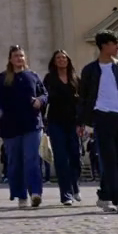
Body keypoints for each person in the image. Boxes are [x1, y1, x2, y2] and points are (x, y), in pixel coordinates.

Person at [77, 31, 118, 213]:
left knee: (117, 160)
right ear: (103, 45)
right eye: (114, 43)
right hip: (101, 117)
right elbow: (83, 98)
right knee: (108, 159)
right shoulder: (89, 70)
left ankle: (104, 195)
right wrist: (82, 122)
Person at [0, 43, 48, 209]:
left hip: (32, 124)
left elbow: (45, 94)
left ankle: (35, 193)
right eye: (16, 56)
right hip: (10, 126)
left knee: (32, 159)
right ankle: (21, 195)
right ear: (10, 59)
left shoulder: (33, 76)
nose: (19, 58)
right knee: (15, 162)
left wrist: (40, 101)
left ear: (25, 58)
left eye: (21, 55)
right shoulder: (3, 78)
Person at [42, 49, 83, 206]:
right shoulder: (49, 79)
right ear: (54, 61)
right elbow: (45, 99)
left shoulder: (75, 79)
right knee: (61, 159)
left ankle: (74, 185)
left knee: (75, 157)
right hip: (56, 122)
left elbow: (82, 102)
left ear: (68, 60)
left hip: (73, 123)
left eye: (64, 58)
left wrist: (81, 122)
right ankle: (66, 194)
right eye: (58, 58)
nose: (61, 60)